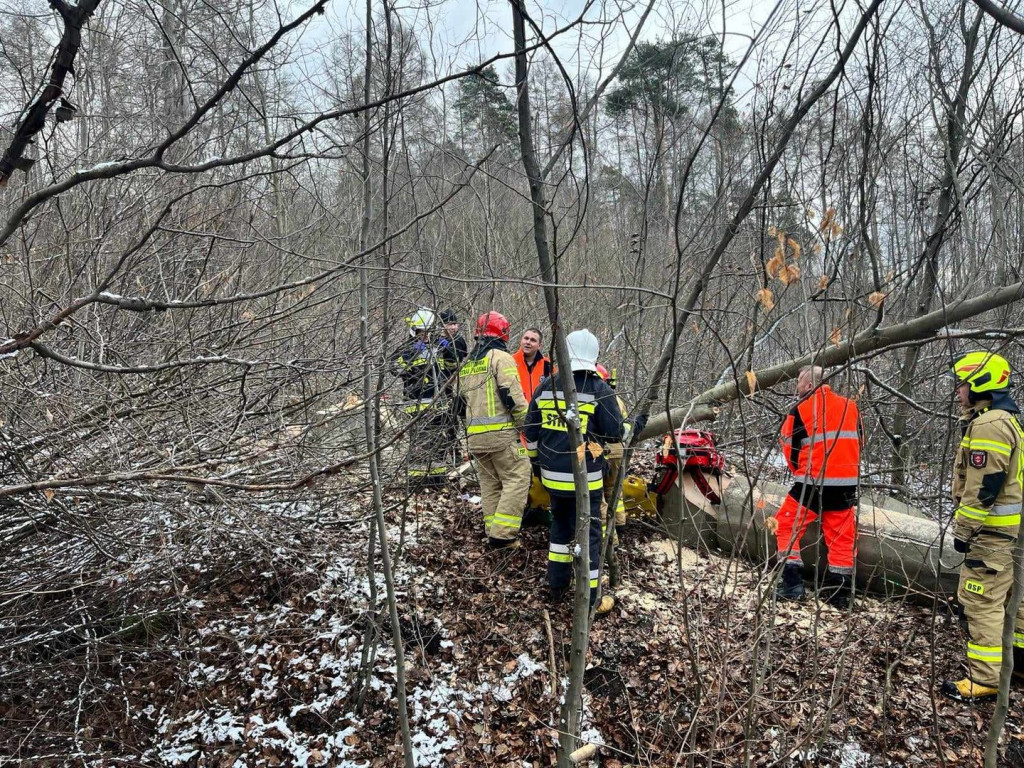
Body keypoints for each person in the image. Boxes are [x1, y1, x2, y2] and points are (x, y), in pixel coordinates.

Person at [941, 352, 1024, 702]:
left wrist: (964, 530)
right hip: (1011, 533)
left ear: (979, 384)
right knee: (1014, 601)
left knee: (981, 601)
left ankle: (986, 678)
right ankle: (1015, 662)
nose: (959, 390)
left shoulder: (991, 424)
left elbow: (984, 485)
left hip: (992, 534)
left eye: (963, 383)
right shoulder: (1008, 420)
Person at [524, 330, 623, 615]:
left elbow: (530, 433)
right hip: (586, 480)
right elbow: (615, 432)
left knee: (560, 527)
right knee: (590, 535)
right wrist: (635, 425)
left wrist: (537, 465)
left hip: (552, 476)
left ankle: (556, 585)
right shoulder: (599, 389)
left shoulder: (546, 387)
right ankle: (590, 598)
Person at [775, 365, 861, 609]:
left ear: (810, 385)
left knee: (786, 524)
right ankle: (841, 594)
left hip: (811, 483)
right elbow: (860, 441)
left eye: (799, 384)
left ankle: (792, 584)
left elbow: (790, 449)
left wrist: (800, 473)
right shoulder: (851, 407)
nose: (797, 389)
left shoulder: (800, 409)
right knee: (842, 538)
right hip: (845, 484)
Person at [457, 311, 533, 549]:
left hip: (475, 438)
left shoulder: (468, 363)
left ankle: (493, 529)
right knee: (518, 477)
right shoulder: (501, 358)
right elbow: (513, 398)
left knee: (490, 485)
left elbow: (458, 405)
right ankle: (503, 535)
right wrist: (530, 429)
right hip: (501, 436)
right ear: (504, 333)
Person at [391, 308, 449, 488]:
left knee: (439, 445)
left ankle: (437, 482)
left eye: (428, 332)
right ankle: (417, 483)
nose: (424, 336)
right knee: (418, 448)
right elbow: (394, 368)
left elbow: (450, 368)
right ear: (414, 332)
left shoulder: (440, 346)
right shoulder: (407, 350)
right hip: (416, 406)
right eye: (420, 332)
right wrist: (411, 357)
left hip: (438, 405)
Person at [513, 327, 550, 403]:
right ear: (521, 341)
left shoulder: (548, 364)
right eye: (526, 338)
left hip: (539, 411)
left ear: (539, 345)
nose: (528, 342)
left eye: (533, 340)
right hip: (516, 411)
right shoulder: (510, 361)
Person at [438, 309, 468, 382]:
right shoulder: (436, 339)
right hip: (439, 378)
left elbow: (462, 358)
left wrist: (448, 349)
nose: (453, 327)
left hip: (454, 378)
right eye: (449, 324)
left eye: (454, 324)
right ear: (442, 325)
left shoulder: (458, 340)